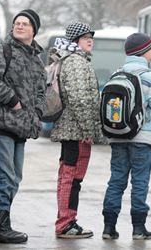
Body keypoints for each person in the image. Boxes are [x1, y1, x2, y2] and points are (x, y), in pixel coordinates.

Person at [0, 9, 45, 243]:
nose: (19, 26)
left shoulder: (36, 59)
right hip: (0, 124)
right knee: (4, 176)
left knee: (14, 178)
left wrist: (36, 112)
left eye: (25, 24)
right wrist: (12, 100)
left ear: (34, 30)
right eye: (17, 23)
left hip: (22, 127)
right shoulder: (2, 50)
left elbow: (40, 91)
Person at [102, 33, 151, 240]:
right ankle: (139, 228)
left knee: (116, 181)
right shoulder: (150, 76)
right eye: (150, 49)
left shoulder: (116, 75)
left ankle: (108, 227)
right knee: (140, 182)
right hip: (142, 139)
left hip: (117, 136)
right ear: (143, 51)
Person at [50, 22, 104, 239]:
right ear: (74, 41)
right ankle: (65, 223)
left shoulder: (72, 60)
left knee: (70, 177)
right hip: (75, 131)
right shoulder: (76, 62)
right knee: (71, 178)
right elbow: (80, 99)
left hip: (72, 129)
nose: (89, 40)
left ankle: (68, 221)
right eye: (84, 37)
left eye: (91, 36)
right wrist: (89, 129)